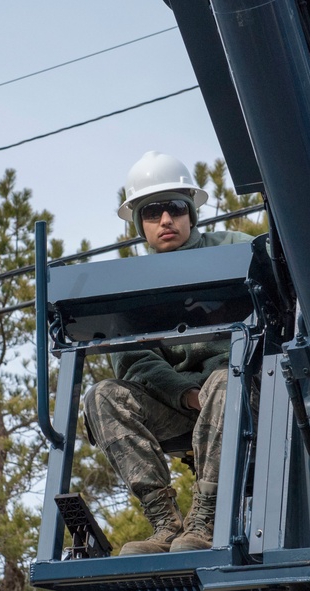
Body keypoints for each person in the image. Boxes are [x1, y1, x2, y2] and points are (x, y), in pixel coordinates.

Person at [84, 151, 254, 555]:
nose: (165, 220)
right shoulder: (131, 284)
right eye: (152, 211)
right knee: (103, 395)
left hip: (246, 396)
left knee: (223, 383)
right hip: (179, 407)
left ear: (191, 213)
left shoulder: (235, 249)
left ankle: (206, 519)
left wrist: (210, 389)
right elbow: (133, 360)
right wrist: (183, 394)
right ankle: (165, 523)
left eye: (175, 208)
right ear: (140, 224)